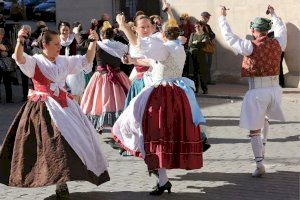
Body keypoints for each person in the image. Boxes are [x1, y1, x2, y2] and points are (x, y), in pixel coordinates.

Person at [0, 28, 109, 198]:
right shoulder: (35, 61)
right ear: (45, 44)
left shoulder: (63, 61)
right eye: (56, 44)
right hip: (43, 109)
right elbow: (20, 58)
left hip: (65, 107)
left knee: (74, 141)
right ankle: (59, 183)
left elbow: (87, 59)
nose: (59, 47)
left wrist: (93, 42)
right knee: (53, 145)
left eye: (59, 43)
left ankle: (63, 182)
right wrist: (20, 40)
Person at [113, 12, 206, 195]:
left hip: (162, 94)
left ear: (163, 35)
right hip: (178, 94)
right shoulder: (177, 47)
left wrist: (123, 26)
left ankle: (161, 178)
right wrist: (133, 60)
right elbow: (153, 60)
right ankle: (162, 179)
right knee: (158, 133)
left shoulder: (165, 48)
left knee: (148, 129)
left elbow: (140, 45)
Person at [219, 5, 286, 177]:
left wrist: (222, 17)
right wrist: (274, 14)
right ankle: (262, 151)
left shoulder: (249, 46)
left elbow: (229, 37)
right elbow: (281, 28)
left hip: (257, 91)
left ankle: (259, 163)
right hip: (275, 90)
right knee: (265, 119)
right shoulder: (278, 42)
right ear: (267, 30)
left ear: (254, 30)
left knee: (254, 129)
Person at [80, 21, 131, 133]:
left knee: (99, 99)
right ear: (112, 34)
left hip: (100, 76)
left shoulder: (98, 45)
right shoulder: (121, 46)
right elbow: (128, 55)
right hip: (118, 75)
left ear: (102, 34)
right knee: (118, 100)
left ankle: (99, 124)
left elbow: (89, 61)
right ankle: (119, 126)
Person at [59, 21, 89, 103]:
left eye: (67, 30)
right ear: (59, 30)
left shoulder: (73, 38)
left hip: (73, 67)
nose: (65, 32)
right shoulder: (57, 40)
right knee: (62, 90)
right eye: (63, 30)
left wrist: (76, 33)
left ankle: (77, 107)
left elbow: (81, 41)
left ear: (69, 30)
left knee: (75, 91)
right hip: (60, 67)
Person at [188, 21, 209, 94]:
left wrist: (196, 43)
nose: (196, 28)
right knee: (194, 74)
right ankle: (195, 89)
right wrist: (199, 43)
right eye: (195, 27)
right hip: (194, 56)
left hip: (202, 56)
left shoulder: (205, 35)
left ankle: (204, 89)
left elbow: (205, 44)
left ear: (202, 26)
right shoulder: (193, 34)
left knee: (202, 74)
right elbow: (190, 44)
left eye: (198, 26)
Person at [201, 11, 216, 85]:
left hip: (208, 47)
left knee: (208, 64)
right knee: (205, 65)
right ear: (204, 17)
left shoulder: (208, 26)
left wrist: (209, 36)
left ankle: (208, 80)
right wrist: (209, 36)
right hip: (203, 48)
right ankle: (204, 81)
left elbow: (213, 35)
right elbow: (202, 35)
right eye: (207, 17)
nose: (208, 18)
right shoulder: (199, 25)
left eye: (208, 17)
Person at [0, 28, 13, 103]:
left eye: (1, 34)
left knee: (7, 82)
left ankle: (9, 98)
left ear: (2, 35)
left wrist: (7, 51)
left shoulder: (6, 40)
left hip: (5, 64)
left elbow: (10, 49)